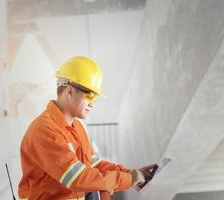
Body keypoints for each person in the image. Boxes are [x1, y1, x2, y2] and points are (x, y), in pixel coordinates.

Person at [18, 56, 155, 200]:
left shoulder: (77, 127)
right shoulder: (44, 130)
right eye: (89, 96)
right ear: (70, 91)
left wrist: (131, 174)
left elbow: (93, 165)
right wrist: (128, 179)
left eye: (96, 98)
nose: (93, 103)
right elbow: (78, 179)